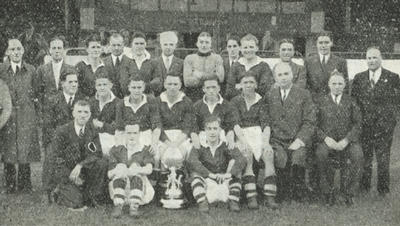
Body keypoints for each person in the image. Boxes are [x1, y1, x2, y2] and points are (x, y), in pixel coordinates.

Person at [352, 47, 400, 196]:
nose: (372, 61)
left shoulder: (393, 77)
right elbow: (354, 102)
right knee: (366, 158)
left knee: (383, 158)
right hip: (365, 125)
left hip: (384, 126)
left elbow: (397, 102)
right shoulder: (359, 78)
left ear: (381, 58)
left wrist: (391, 120)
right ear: (365, 60)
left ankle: (383, 190)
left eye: (374, 58)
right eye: (369, 58)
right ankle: (364, 187)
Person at [265, 62, 316, 202]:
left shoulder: (304, 94)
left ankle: (298, 191)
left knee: (298, 157)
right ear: (275, 78)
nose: (283, 78)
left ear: (292, 75)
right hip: (277, 140)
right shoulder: (270, 95)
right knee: (280, 157)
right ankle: (282, 191)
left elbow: (309, 121)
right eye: (279, 75)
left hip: (297, 138)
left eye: (286, 74)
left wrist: (300, 140)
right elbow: (266, 120)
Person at [230, 72, 278, 209]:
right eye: (245, 83)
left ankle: (270, 197)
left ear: (256, 84)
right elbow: (236, 124)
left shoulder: (261, 100)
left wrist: (266, 143)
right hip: (241, 135)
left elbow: (266, 125)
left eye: (251, 82)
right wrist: (244, 143)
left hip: (258, 134)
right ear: (240, 85)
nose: (249, 85)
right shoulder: (235, 101)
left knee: (268, 154)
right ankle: (252, 197)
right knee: (247, 155)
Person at [316, 71, 363, 206]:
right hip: (327, 141)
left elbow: (358, 123)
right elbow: (314, 124)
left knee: (358, 155)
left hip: (346, 141)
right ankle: (327, 193)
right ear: (329, 84)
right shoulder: (320, 101)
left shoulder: (351, 101)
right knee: (321, 154)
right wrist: (325, 138)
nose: (337, 86)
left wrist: (347, 140)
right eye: (334, 83)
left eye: (340, 83)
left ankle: (348, 193)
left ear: (345, 85)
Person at [0, 39, 41, 194]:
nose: (16, 52)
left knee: (25, 149)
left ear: (23, 51)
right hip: (8, 115)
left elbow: (37, 91)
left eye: (19, 49)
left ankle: (25, 184)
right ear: (8, 52)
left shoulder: (31, 70)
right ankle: (10, 184)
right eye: (12, 49)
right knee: (8, 148)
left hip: (26, 115)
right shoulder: (2, 70)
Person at [51, 100, 108, 209]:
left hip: (84, 169)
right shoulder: (62, 130)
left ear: (90, 114)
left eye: (86, 112)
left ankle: (93, 196)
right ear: (73, 113)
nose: (83, 115)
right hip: (68, 172)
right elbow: (57, 158)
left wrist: (81, 165)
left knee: (102, 163)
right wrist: (70, 175)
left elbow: (97, 153)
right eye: (79, 111)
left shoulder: (92, 130)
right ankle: (60, 190)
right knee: (77, 203)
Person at [187, 116, 246, 212]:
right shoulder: (200, 145)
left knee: (236, 169)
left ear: (220, 131)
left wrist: (228, 174)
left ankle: (233, 201)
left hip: (223, 182)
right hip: (207, 183)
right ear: (205, 131)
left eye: (215, 128)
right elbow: (192, 161)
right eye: (209, 129)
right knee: (195, 173)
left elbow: (241, 159)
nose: (212, 132)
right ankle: (202, 201)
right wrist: (210, 175)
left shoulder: (225, 144)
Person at [155, 74, 194, 208]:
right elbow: (157, 125)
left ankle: (182, 188)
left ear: (180, 85)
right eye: (169, 84)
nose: (172, 87)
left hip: (181, 137)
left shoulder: (187, 101)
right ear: (164, 84)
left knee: (184, 153)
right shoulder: (157, 101)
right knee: (158, 154)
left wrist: (176, 144)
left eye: (175, 84)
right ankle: (162, 190)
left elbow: (188, 126)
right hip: (163, 137)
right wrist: (167, 142)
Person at [108, 124, 154, 218]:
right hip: (120, 188)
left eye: (135, 133)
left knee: (135, 167)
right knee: (120, 167)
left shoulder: (144, 149)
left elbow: (149, 169)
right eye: (129, 133)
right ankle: (118, 205)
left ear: (139, 134)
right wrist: (119, 169)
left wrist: (137, 169)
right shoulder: (117, 149)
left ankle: (134, 207)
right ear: (124, 134)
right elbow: (109, 174)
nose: (132, 136)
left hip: (139, 188)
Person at [191, 75, 238, 153]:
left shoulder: (227, 105)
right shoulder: (197, 106)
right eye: (208, 88)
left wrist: (230, 137)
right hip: (203, 138)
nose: (211, 90)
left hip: (222, 138)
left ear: (219, 88)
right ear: (203, 89)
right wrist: (196, 141)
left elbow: (230, 126)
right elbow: (193, 127)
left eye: (214, 87)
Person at [115, 77, 161, 150]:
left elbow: (156, 126)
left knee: (152, 154)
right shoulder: (121, 103)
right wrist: (120, 145)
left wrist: (154, 143)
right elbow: (119, 129)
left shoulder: (150, 101)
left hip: (145, 134)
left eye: (139, 87)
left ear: (143, 88)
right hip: (128, 134)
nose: (136, 90)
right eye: (133, 87)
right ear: (129, 88)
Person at [225, 34, 274, 100]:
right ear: (241, 49)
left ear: (257, 48)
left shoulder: (263, 66)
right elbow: (229, 91)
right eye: (245, 47)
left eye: (251, 47)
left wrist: (241, 86)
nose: (248, 50)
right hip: (239, 104)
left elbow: (265, 90)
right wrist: (254, 87)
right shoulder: (236, 66)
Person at [304, 32, 348, 102]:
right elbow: (306, 85)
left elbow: (345, 87)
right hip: (314, 102)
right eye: (320, 43)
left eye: (326, 42)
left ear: (331, 43)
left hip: (332, 103)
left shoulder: (340, 62)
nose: (323, 46)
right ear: (316, 44)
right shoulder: (309, 62)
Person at [36, 36, 76, 113]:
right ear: (49, 50)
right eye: (54, 48)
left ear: (63, 50)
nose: (57, 51)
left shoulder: (71, 70)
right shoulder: (42, 70)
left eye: (59, 48)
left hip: (66, 111)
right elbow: (38, 92)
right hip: (47, 111)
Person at [183, 32, 224, 101]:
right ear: (197, 44)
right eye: (201, 42)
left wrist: (200, 75)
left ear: (211, 44)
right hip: (193, 94)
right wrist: (212, 76)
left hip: (212, 93)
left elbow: (220, 78)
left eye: (207, 42)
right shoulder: (189, 58)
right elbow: (187, 82)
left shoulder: (217, 58)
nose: (204, 45)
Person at [150, 31, 184, 96]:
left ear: (175, 46)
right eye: (165, 44)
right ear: (161, 45)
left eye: (171, 44)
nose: (168, 47)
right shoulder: (153, 62)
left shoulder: (181, 63)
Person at [103, 33, 135, 98]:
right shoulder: (103, 62)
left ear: (123, 45)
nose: (116, 48)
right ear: (109, 45)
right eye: (114, 45)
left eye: (119, 45)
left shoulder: (131, 62)